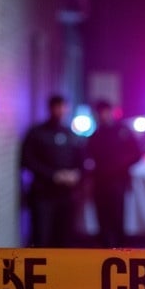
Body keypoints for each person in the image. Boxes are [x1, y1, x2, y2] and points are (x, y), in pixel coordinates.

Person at [20, 94, 85, 247]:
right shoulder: (37, 133)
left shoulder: (71, 135)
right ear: (50, 109)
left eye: (62, 107)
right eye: (56, 107)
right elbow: (27, 161)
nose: (60, 111)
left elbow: (82, 161)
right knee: (42, 237)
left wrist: (75, 175)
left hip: (66, 195)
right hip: (43, 195)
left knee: (64, 237)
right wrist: (53, 176)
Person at [85, 99, 143, 248]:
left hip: (118, 181)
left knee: (117, 215)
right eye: (100, 112)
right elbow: (88, 157)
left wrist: (121, 165)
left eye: (105, 111)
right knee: (102, 217)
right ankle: (104, 248)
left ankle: (119, 247)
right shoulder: (96, 135)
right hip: (100, 182)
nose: (103, 115)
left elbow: (137, 153)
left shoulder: (122, 131)